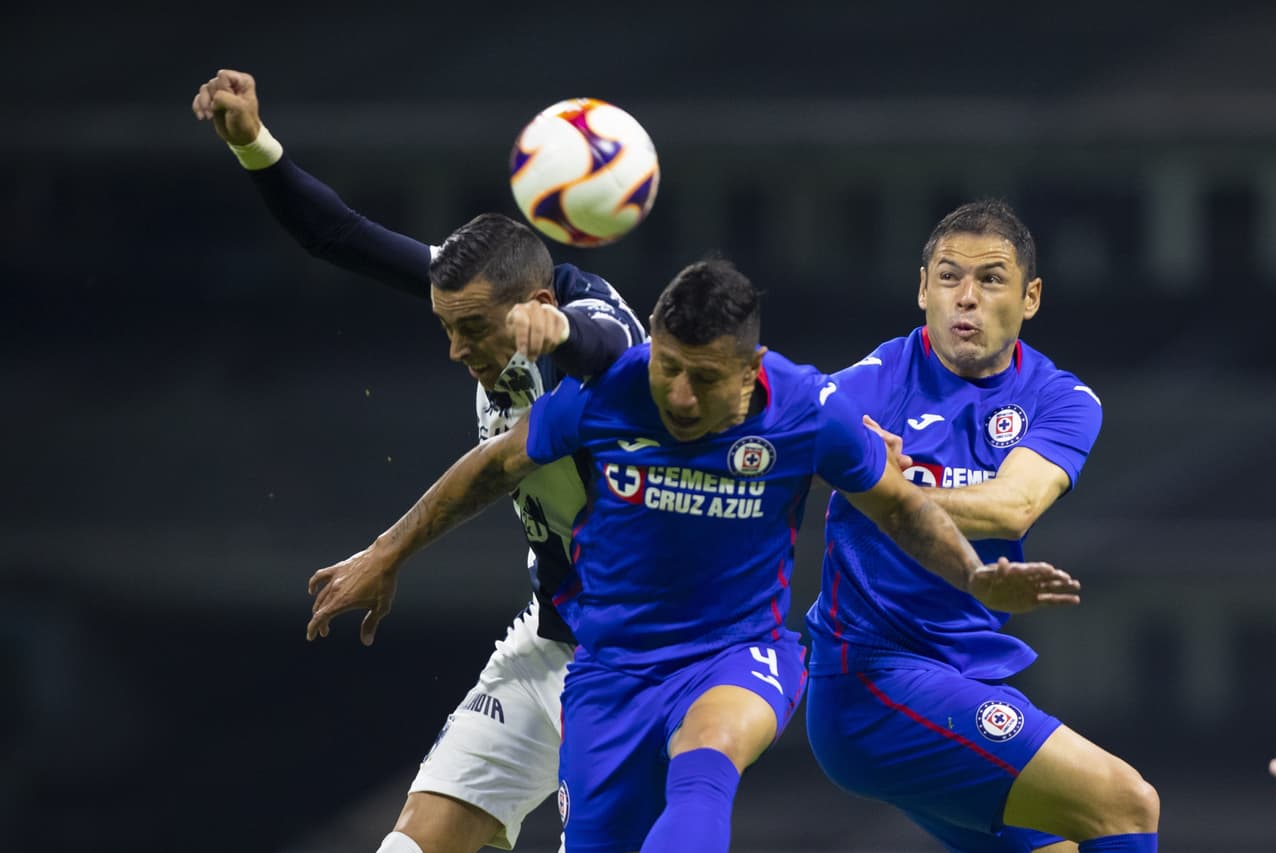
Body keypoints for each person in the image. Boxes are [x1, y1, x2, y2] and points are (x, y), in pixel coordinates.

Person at [307, 257, 1083, 853]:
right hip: (610, 672)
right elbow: (494, 466)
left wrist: (975, 575)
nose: (678, 395)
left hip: (739, 652)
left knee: (707, 754)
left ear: (751, 371)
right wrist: (387, 550)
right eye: (667, 367)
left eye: (703, 379)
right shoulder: (611, 390)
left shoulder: (809, 410)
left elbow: (901, 505)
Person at [192, 69, 647, 853]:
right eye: (446, 325)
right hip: (551, 638)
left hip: (636, 663)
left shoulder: (590, 335)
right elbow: (339, 235)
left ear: (536, 304)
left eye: (470, 329)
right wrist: (252, 144)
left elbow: (608, 353)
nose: (454, 348)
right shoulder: (486, 285)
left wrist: (564, 336)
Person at [804, 199, 1159, 852]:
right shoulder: (866, 386)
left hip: (962, 682)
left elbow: (1013, 504)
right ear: (922, 288)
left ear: (1031, 297)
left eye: (991, 279)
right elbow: (760, 437)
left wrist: (880, 481)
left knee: (1068, 844)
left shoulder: (1060, 398)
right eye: (947, 276)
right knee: (1126, 802)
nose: (965, 296)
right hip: (871, 682)